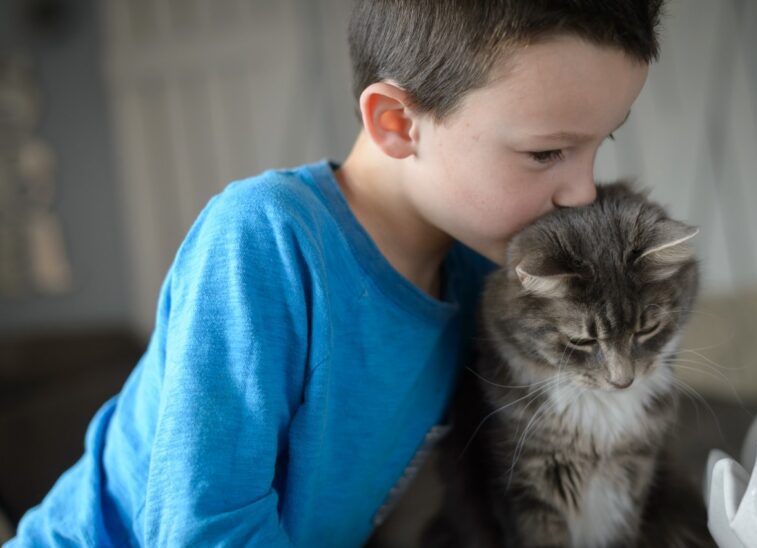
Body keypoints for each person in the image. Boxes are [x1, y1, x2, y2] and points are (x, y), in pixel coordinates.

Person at [7, 1, 661, 546]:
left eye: (598, 145)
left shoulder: (478, 271)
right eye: (546, 152)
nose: (583, 192)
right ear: (397, 122)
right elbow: (202, 529)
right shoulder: (266, 237)